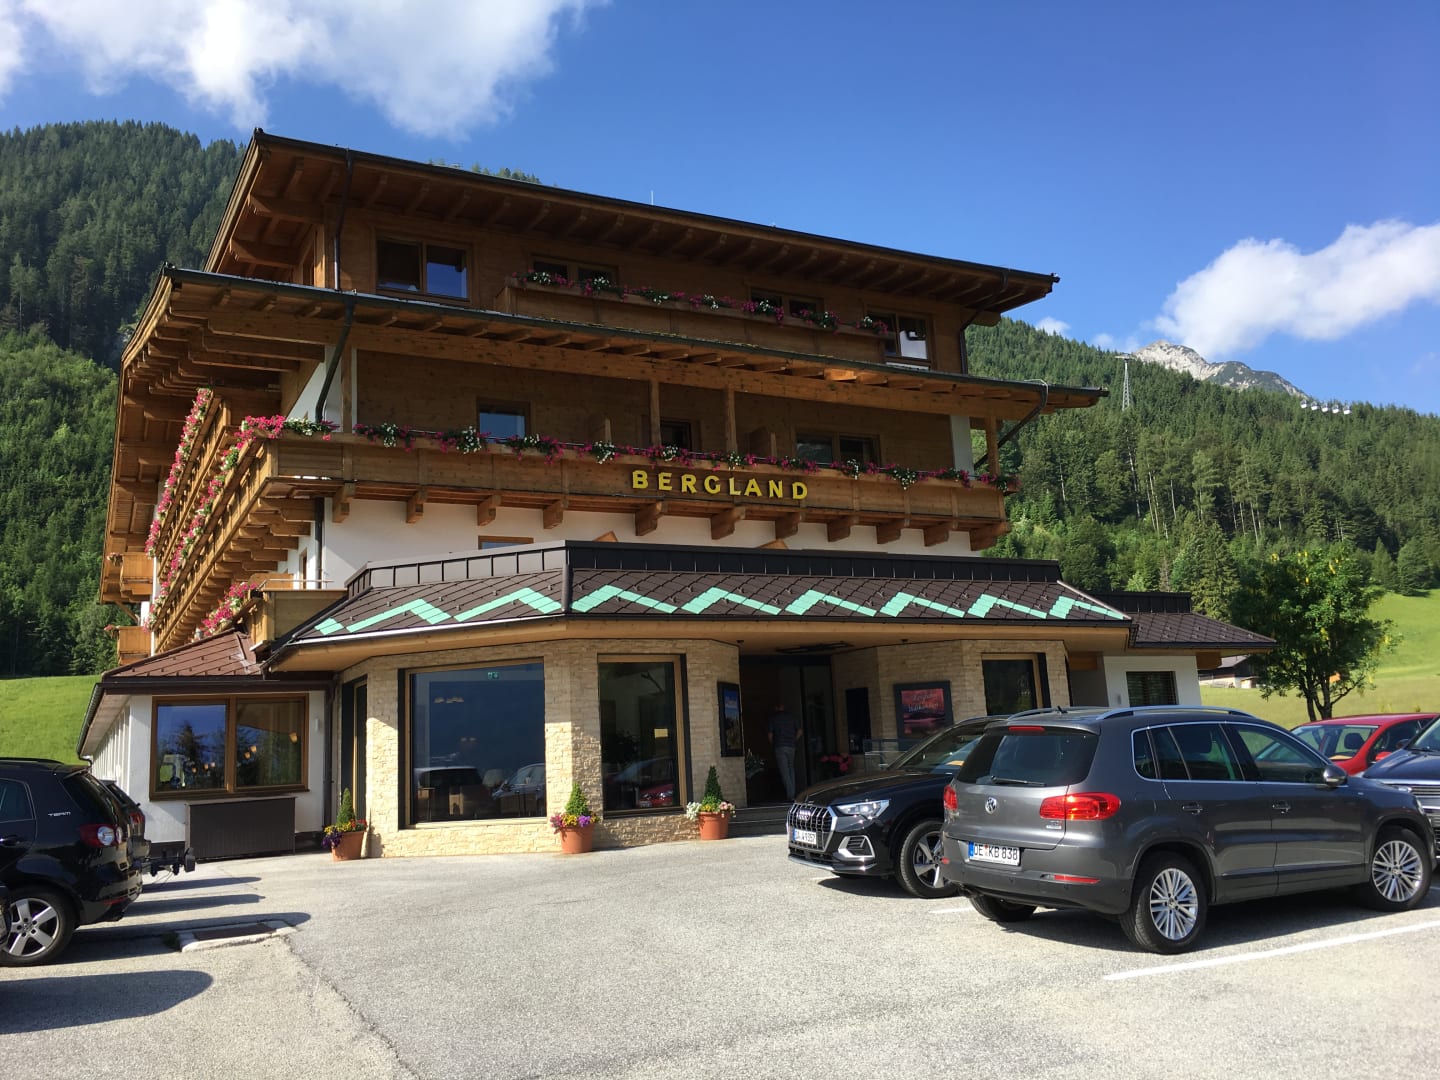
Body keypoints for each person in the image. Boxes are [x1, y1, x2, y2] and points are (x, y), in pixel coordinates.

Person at [768, 702, 802, 801]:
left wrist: (773, 744)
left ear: (776, 708)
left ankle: (790, 795)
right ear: (783, 707)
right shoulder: (792, 717)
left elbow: (770, 734)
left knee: (784, 771)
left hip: (780, 746)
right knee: (791, 768)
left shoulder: (773, 718)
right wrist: (794, 740)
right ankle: (793, 793)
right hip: (791, 746)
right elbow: (800, 731)